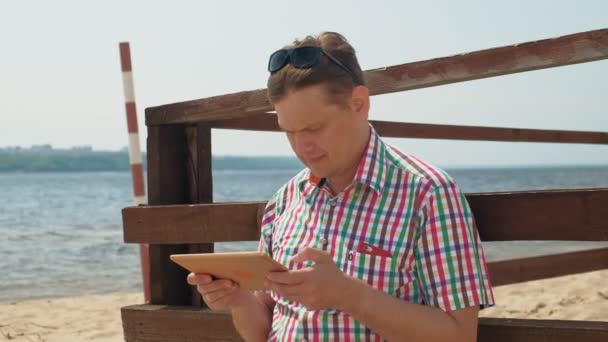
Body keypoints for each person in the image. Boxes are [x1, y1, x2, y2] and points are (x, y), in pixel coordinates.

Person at [187, 32, 494, 342]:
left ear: (359, 103)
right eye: (289, 132)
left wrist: (349, 295)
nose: (302, 146)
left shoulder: (427, 193)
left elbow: (459, 334)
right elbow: (265, 328)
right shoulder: (285, 200)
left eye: (314, 127)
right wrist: (238, 301)